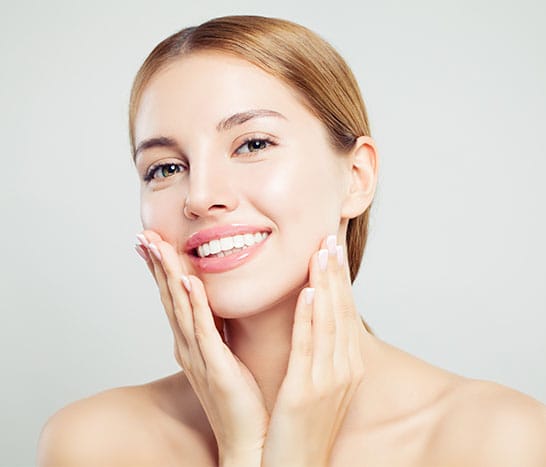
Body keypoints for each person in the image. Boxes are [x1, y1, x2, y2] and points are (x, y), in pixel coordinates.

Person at [38, 15, 546, 466]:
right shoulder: (92, 444)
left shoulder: (498, 441)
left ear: (357, 177)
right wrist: (247, 452)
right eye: (165, 168)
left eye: (253, 144)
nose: (201, 196)